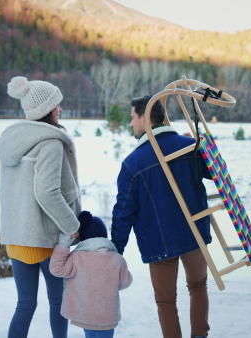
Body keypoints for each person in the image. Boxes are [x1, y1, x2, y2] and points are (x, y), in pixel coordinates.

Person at [111, 95, 212, 338]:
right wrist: (201, 147)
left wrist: (116, 249)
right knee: (198, 287)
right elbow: (213, 172)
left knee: (166, 301)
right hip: (194, 232)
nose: (132, 124)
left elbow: (124, 212)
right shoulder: (188, 145)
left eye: (133, 118)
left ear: (145, 118)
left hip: (160, 241)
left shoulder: (133, 163)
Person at [0, 76, 81, 338]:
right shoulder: (50, 142)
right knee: (58, 302)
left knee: (25, 304)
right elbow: (47, 192)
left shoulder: (12, 140)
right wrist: (73, 226)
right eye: (57, 105)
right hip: (44, 238)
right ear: (47, 109)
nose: (61, 110)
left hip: (17, 237)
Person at [50, 211, 133, 338]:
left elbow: (56, 269)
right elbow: (125, 283)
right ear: (104, 235)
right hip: (107, 319)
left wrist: (63, 244)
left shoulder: (76, 257)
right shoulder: (116, 259)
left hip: (84, 316)